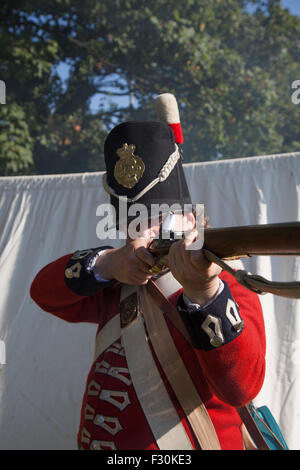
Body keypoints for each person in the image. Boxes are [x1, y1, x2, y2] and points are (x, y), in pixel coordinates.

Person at [30, 120, 266, 450]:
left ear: (190, 219)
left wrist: (204, 293)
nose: (145, 233)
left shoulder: (226, 284)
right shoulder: (121, 279)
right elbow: (42, 293)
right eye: (134, 222)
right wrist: (109, 262)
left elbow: (240, 388)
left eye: (159, 217)